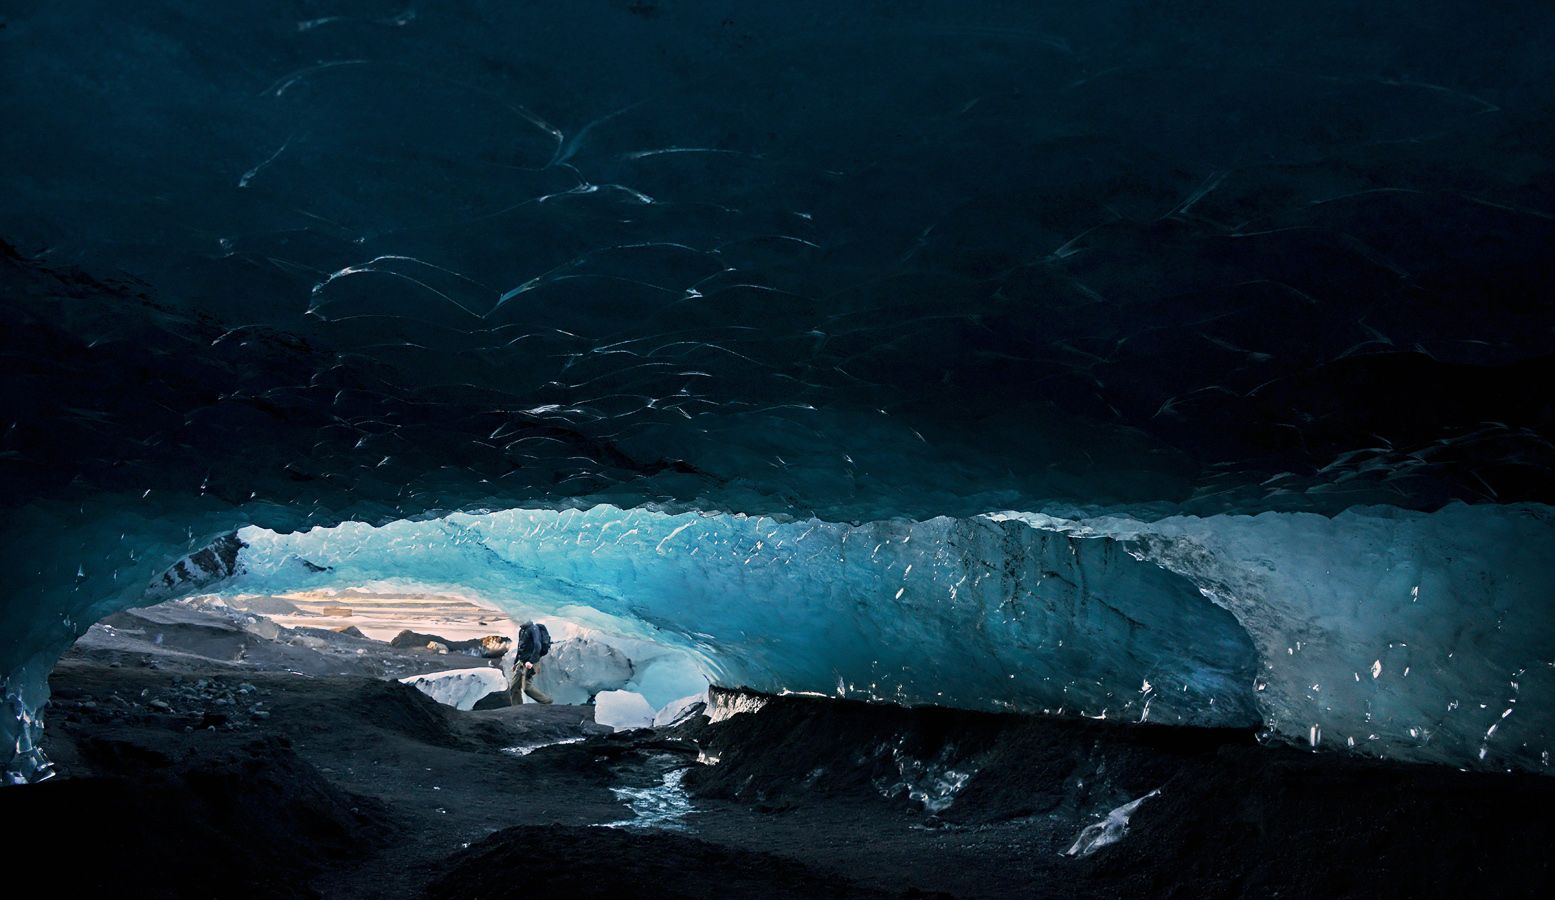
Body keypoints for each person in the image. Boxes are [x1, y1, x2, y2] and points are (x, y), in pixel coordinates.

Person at [509, 620, 553, 705]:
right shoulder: (522, 630)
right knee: (514, 686)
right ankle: (516, 707)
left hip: (530, 663)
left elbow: (538, 646)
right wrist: (515, 662)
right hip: (521, 663)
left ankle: (546, 701)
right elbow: (520, 647)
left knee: (526, 688)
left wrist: (531, 662)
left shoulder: (533, 629)